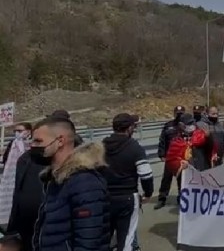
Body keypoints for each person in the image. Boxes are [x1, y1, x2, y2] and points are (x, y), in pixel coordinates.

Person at [30, 117, 110, 251]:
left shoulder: (84, 182)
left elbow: (88, 241)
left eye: (38, 141)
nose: (32, 146)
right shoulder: (54, 179)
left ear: (60, 141)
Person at [102, 113, 153, 251]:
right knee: (127, 238)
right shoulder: (135, 147)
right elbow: (146, 174)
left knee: (104, 237)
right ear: (130, 128)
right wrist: (148, 193)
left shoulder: (101, 146)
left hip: (104, 197)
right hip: (128, 197)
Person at [7, 144, 46, 251]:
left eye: (38, 141)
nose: (33, 143)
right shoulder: (26, 158)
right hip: (27, 227)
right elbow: (18, 196)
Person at [0, 123, 31, 226]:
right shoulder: (12, 143)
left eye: (20, 130)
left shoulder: (31, 144)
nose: (17, 133)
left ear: (28, 131)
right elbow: (5, 158)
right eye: (15, 131)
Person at [155, 106, 185, 210]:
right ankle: (162, 198)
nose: (179, 115)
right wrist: (161, 154)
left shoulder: (187, 125)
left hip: (182, 158)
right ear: (174, 113)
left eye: (181, 113)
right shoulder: (168, 126)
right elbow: (162, 140)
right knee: (166, 179)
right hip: (170, 158)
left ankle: (182, 198)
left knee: (182, 180)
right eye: (177, 113)